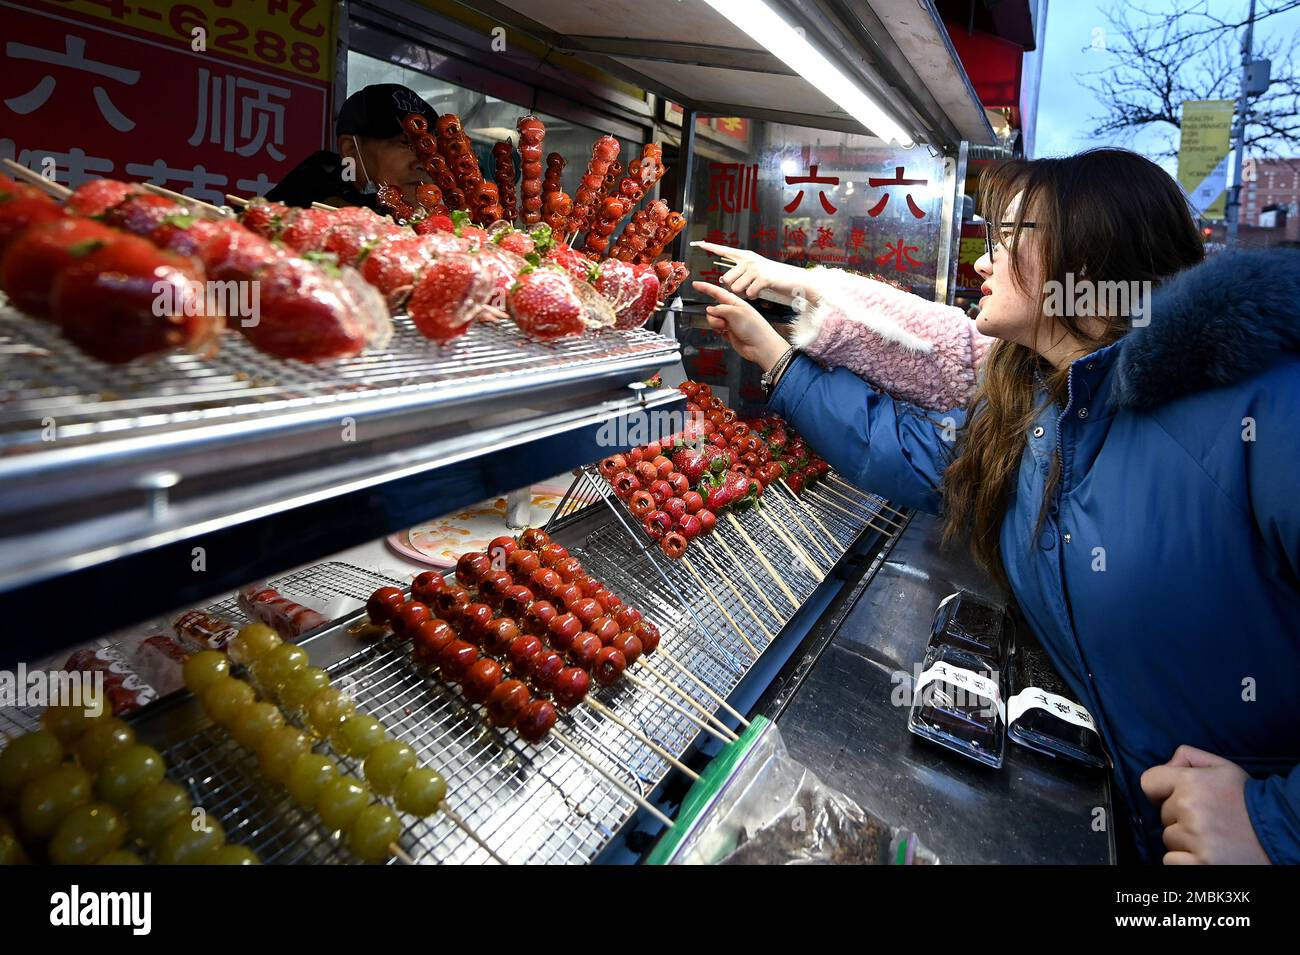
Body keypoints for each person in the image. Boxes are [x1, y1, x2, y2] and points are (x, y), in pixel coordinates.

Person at [693, 148, 1300, 865]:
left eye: (1007, 241)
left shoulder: (1264, 410)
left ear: (1081, 262)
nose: (983, 261)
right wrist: (780, 360)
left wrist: (1273, 825)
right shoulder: (1037, 413)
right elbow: (910, 452)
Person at [265, 83, 437, 209]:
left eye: (431, 148)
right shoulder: (301, 208)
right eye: (405, 144)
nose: (424, 164)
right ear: (350, 149)